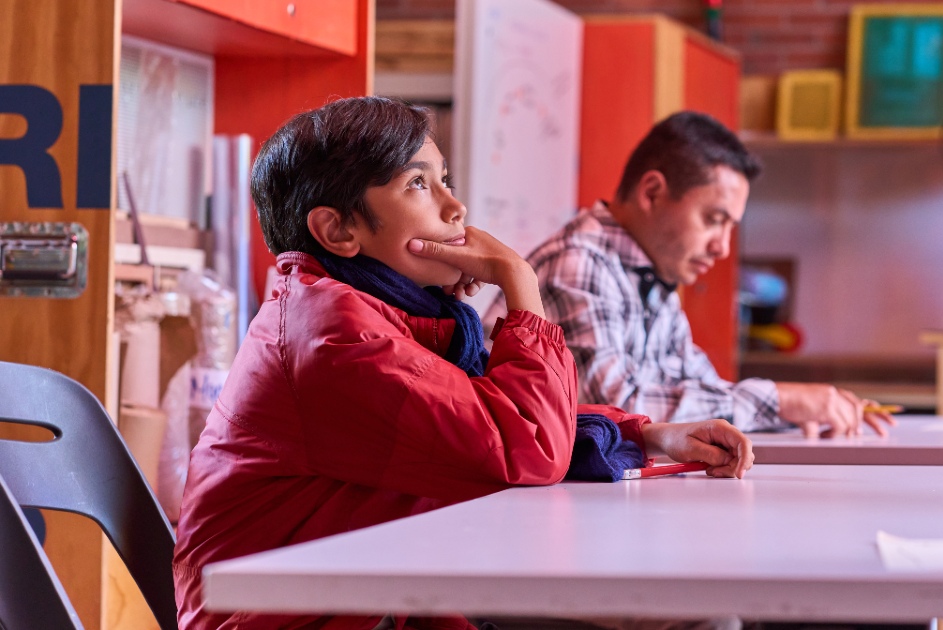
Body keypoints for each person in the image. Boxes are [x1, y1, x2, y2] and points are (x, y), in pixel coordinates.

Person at [172, 97, 753, 630]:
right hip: (297, 619)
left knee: (697, 614)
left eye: (444, 178)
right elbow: (523, 449)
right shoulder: (333, 338)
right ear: (339, 230)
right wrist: (520, 283)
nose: (456, 207)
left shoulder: (381, 314)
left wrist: (648, 436)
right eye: (418, 184)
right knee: (696, 618)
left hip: (371, 603)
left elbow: (485, 424)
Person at [486, 112, 896, 437]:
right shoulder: (580, 264)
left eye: (730, 226)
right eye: (713, 219)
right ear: (652, 193)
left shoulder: (649, 274)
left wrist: (797, 410)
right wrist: (781, 399)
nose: (722, 247)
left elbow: (702, 389)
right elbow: (620, 408)